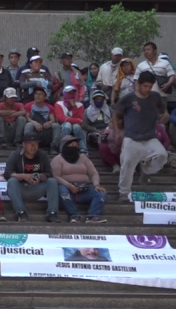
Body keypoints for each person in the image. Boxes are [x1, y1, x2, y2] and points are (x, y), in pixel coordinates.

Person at [115, 70, 169, 202]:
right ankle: (123, 192)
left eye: (150, 86)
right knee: (127, 164)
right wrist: (117, 132)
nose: (147, 89)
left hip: (150, 137)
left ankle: (146, 171)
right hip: (131, 137)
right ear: (138, 83)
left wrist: (165, 115)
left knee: (162, 155)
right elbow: (116, 114)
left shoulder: (155, 97)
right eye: (145, 86)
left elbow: (163, 111)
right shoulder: (128, 98)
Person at [4, 132, 60, 222]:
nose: (33, 146)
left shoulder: (43, 155)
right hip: (21, 188)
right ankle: (21, 212)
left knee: (52, 181)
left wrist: (40, 176)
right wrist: (22, 176)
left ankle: (52, 213)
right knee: (12, 181)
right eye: (30, 144)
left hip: (37, 188)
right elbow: (7, 174)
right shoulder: (15, 155)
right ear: (23, 144)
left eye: (36, 144)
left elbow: (49, 174)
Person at [51, 135, 108, 223]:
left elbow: (93, 173)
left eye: (76, 145)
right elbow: (56, 176)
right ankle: (74, 216)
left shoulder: (84, 158)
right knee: (61, 189)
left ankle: (92, 217)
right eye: (71, 145)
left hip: (84, 190)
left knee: (101, 194)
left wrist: (96, 184)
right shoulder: (57, 159)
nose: (74, 147)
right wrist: (69, 185)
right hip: (67, 190)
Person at [25, 87, 61, 153]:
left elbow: (53, 119)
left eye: (40, 94)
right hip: (34, 125)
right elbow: (27, 118)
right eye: (36, 94)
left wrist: (49, 123)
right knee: (28, 125)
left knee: (56, 125)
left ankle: (54, 146)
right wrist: (35, 123)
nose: (37, 96)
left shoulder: (50, 107)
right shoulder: (29, 105)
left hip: (45, 126)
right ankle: (27, 145)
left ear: (45, 97)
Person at [54, 85, 87, 154]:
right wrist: (77, 120)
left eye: (72, 93)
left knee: (76, 126)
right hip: (63, 125)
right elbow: (61, 119)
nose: (71, 95)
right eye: (69, 93)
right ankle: (62, 147)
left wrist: (74, 107)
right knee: (67, 125)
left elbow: (80, 118)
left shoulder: (79, 105)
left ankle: (83, 149)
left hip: (76, 126)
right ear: (65, 94)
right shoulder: (59, 104)